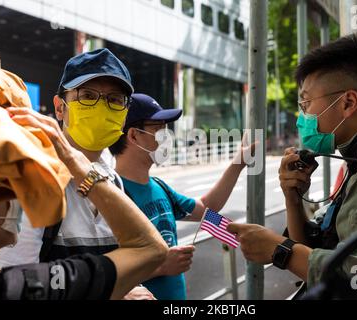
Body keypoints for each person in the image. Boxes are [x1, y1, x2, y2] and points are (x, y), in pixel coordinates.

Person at [227, 35, 357, 290]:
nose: (302, 117)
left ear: (347, 103)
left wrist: (280, 251)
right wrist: (293, 197)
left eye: (306, 102)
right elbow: (312, 255)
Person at [0, 48, 155, 299]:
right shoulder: (37, 181)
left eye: (115, 99)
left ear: (124, 114)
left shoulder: (113, 182)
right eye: (87, 95)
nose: (102, 107)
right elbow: (10, 288)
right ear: (60, 108)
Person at [109, 93, 256, 300]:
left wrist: (237, 164)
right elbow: (104, 272)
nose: (166, 136)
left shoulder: (161, 187)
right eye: (158, 129)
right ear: (133, 136)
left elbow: (206, 208)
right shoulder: (111, 194)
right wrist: (160, 267)